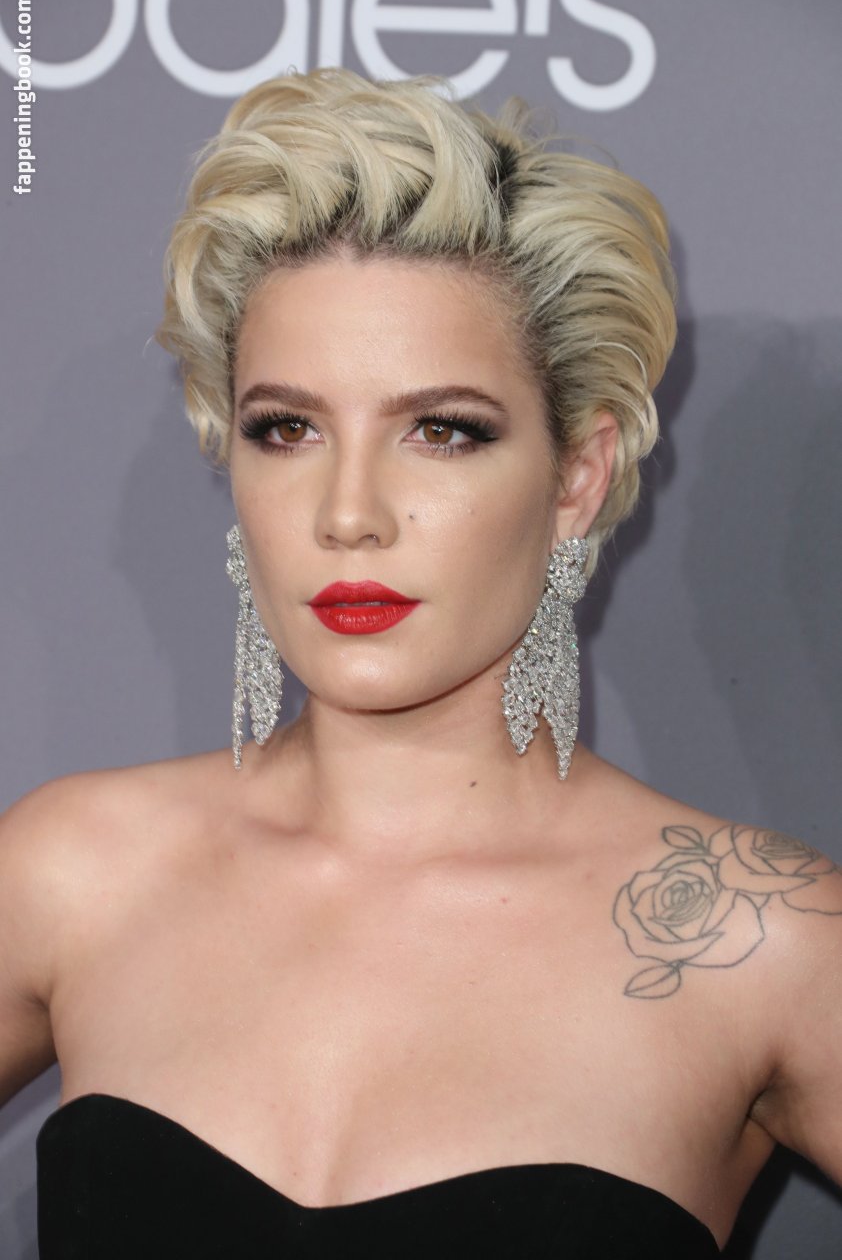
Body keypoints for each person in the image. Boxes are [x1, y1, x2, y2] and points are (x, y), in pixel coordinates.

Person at [1, 67, 840, 1260]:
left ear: (575, 476)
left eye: (441, 430)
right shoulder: (71, 874)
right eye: (286, 428)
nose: (348, 512)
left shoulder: (759, 940)